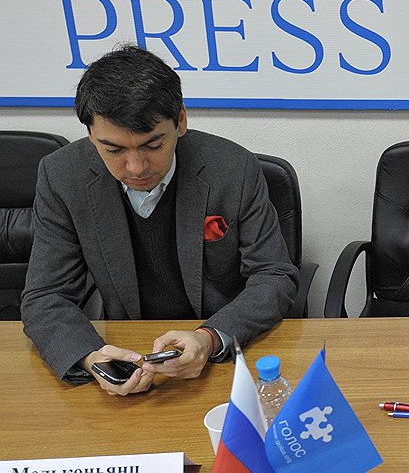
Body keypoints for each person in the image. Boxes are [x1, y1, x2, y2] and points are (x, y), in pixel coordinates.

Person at [21, 45, 298, 396]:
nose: (136, 167)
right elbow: (45, 296)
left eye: (152, 146)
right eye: (114, 150)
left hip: (223, 358)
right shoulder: (63, 176)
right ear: (91, 135)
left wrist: (209, 338)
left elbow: (275, 276)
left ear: (180, 121)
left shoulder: (233, 169)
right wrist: (91, 357)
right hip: (128, 350)